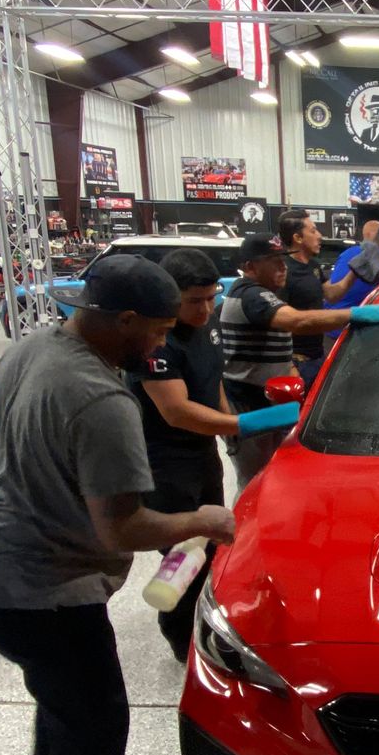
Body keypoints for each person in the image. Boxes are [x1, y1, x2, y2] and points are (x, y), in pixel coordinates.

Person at [0, 253, 237, 755]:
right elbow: (124, 529)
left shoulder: (28, 351)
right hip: (42, 591)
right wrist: (204, 519)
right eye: (160, 331)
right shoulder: (104, 400)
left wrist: (41, 486)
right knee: (94, 718)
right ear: (126, 319)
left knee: (62, 693)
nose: (164, 344)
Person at [127, 249, 264, 657]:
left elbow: (212, 380)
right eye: (194, 301)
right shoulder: (158, 342)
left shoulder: (206, 327)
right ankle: (181, 640)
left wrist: (226, 425)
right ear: (171, 299)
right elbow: (177, 411)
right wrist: (244, 424)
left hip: (201, 455)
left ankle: (200, 623)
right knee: (183, 553)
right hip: (164, 463)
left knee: (209, 544)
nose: (206, 308)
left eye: (212, 297)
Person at [221, 231, 379, 487]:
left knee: (279, 475)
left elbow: (281, 339)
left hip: (274, 397)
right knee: (257, 482)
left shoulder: (267, 291)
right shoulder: (251, 295)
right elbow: (297, 321)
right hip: (252, 403)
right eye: (274, 262)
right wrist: (357, 314)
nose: (283, 267)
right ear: (250, 266)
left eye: (283, 260)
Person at [276, 210, 330, 387]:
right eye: (313, 231)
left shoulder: (313, 266)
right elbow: (277, 323)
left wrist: (355, 271)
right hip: (298, 362)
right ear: (298, 238)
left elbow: (331, 293)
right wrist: (290, 366)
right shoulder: (284, 271)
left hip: (318, 356)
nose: (319, 236)